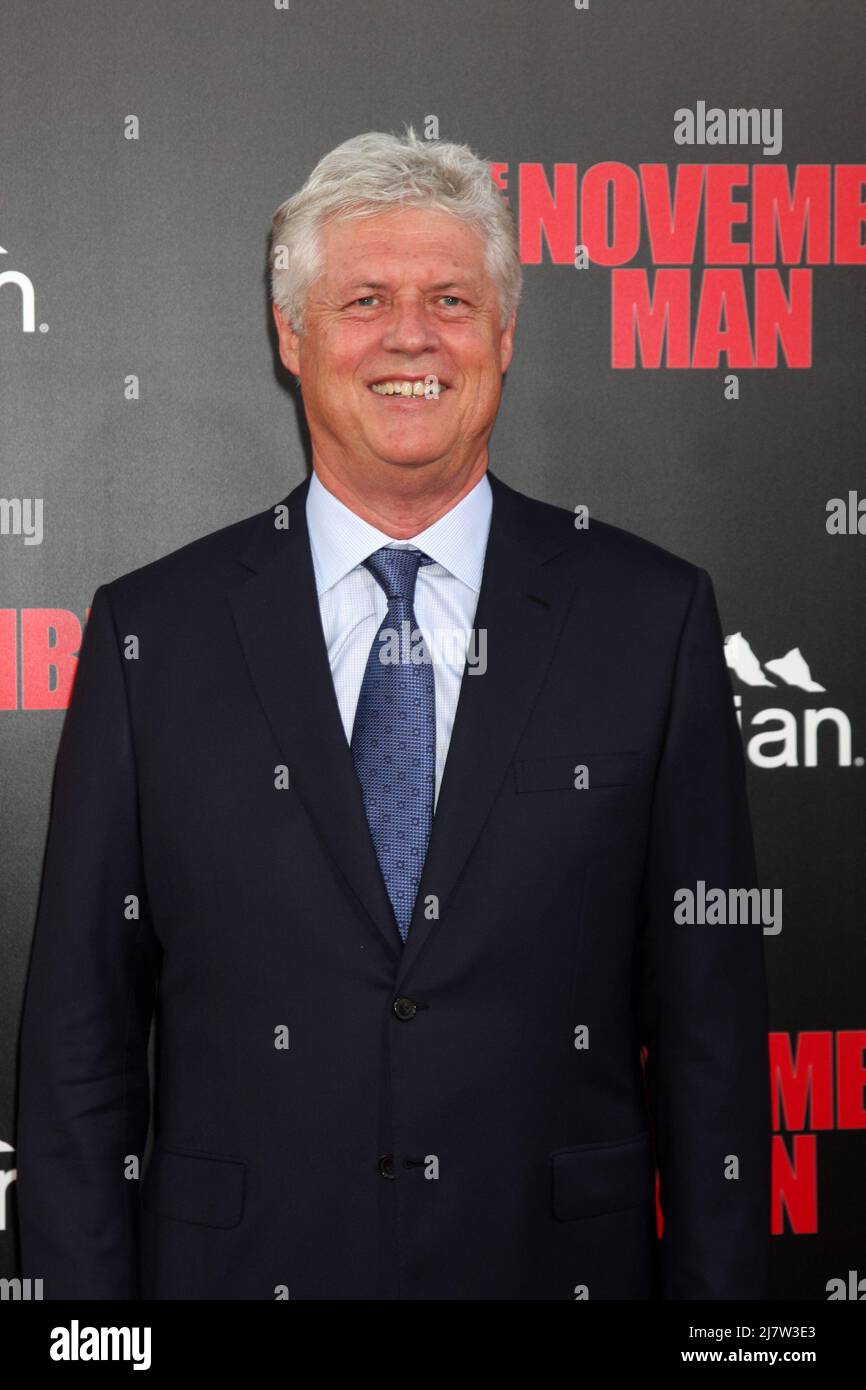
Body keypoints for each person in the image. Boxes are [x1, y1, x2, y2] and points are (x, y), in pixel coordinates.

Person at [16, 128, 770, 1300]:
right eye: (363, 298)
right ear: (292, 334)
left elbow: (712, 1045)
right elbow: (77, 1050)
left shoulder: (650, 619)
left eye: (452, 300)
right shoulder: (149, 633)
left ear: (504, 336)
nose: (410, 335)